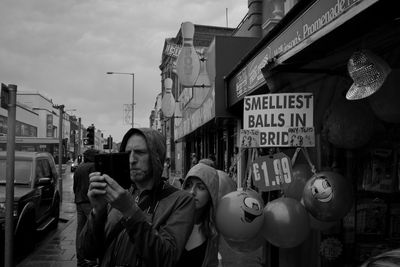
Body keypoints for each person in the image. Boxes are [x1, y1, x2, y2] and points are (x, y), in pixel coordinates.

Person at [78, 128, 195, 267]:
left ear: (156, 156)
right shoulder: (117, 193)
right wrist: (98, 211)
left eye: (140, 153)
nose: (132, 160)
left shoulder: (181, 200)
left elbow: (167, 259)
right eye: (127, 153)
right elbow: (87, 251)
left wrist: (129, 210)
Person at [177, 162, 219, 267]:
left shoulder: (213, 231)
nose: (192, 192)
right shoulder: (170, 221)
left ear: (211, 195)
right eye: (188, 185)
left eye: (200, 187)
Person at [73, 148, 100, 267]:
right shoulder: (93, 167)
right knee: (93, 230)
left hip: (79, 202)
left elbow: (75, 187)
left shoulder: (79, 167)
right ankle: (92, 259)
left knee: (80, 231)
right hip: (89, 202)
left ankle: (80, 259)